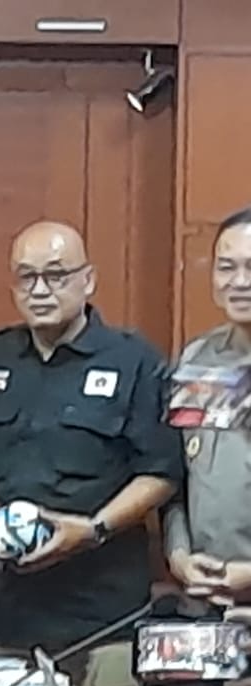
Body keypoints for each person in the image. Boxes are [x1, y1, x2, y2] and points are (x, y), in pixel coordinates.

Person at [0, 220, 185, 686]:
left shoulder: (133, 361)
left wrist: (92, 530)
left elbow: (161, 472)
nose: (40, 290)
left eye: (56, 275)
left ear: (88, 280)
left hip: (103, 619)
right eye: (27, 277)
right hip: (5, 616)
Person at [165, 207, 251, 609]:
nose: (240, 282)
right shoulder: (196, 360)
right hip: (205, 599)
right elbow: (176, 477)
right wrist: (179, 556)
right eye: (226, 267)